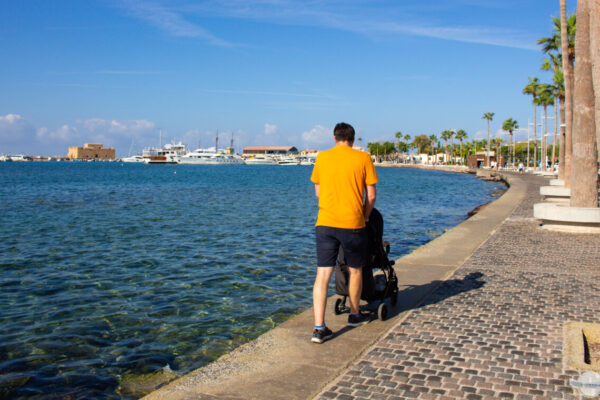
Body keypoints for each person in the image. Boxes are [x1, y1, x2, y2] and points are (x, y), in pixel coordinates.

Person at [309, 122, 378, 344]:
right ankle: (355, 314)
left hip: (325, 223)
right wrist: (366, 216)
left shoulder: (322, 157)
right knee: (355, 270)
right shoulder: (363, 158)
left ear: (335, 138)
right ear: (353, 139)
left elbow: (318, 191)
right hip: (353, 223)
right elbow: (371, 195)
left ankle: (319, 328)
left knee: (322, 274)